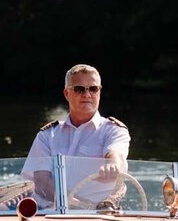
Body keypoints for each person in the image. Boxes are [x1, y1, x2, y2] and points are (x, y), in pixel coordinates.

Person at [24, 64, 130, 207]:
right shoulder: (47, 135)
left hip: (97, 213)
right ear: (67, 94)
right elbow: (42, 182)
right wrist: (69, 203)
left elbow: (115, 154)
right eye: (79, 89)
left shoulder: (114, 130)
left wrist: (112, 166)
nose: (87, 94)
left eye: (93, 89)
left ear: (99, 91)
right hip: (48, 211)